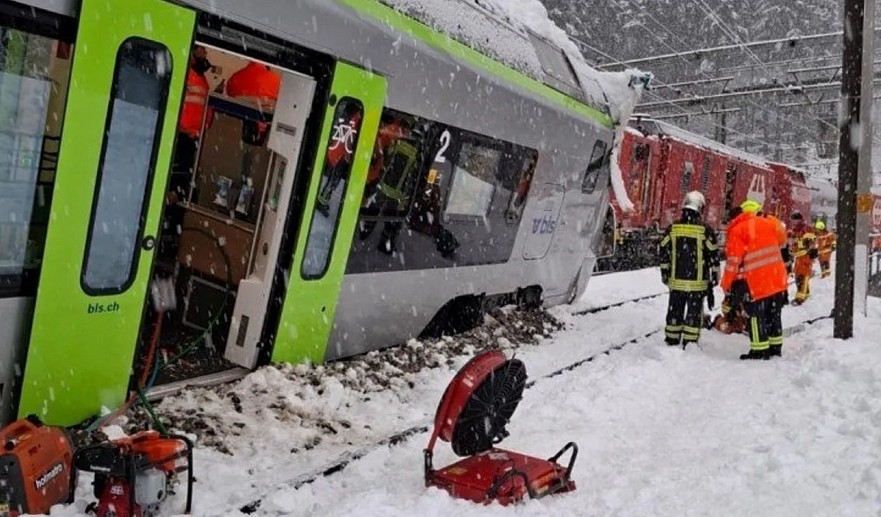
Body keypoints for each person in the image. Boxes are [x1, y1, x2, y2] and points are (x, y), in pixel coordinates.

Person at [721, 199, 789, 360]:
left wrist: (726, 284)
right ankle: (775, 348)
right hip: (777, 278)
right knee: (774, 314)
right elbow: (782, 240)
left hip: (757, 281)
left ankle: (759, 351)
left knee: (756, 316)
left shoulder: (739, 230)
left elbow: (733, 262)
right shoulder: (769, 224)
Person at [659, 191, 720, 348]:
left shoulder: (673, 229)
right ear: (700, 208)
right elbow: (713, 255)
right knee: (693, 313)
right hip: (697, 283)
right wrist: (714, 276)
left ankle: (672, 338)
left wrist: (665, 273)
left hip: (676, 281)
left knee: (675, 310)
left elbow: (663, 251)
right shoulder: (705, 230)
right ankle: (690, 342)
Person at [789, 211, 817, 305]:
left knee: (803, 277)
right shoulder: (796, 230)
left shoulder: (806, 229)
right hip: (799, 257)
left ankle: (800, 298)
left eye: (794, 220)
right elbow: (795, 243)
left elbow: (812, 242)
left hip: (805, 257)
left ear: (799, 220)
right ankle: (806, 293)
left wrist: (810, 251)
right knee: (798, 277)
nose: (793, 222)